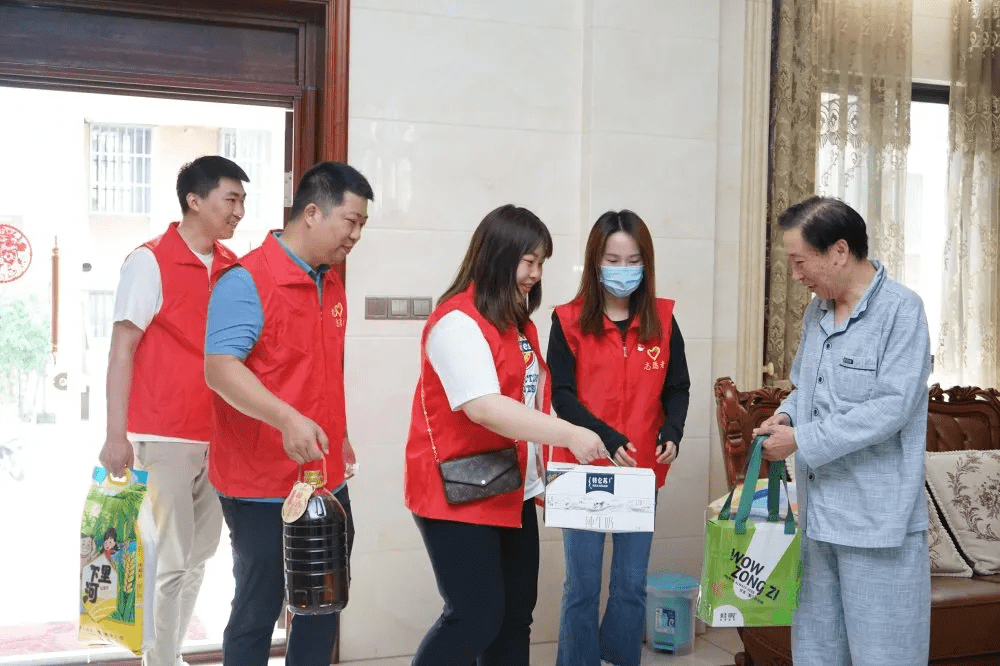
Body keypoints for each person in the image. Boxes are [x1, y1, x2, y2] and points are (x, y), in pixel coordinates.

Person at [404, 204, 607, 666]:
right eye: (529, 262)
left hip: (510, 488)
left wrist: (550, 468)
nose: (536, 274)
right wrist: (571, 433)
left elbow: (530, 403)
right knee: (473, 618)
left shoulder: (519, 325)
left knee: (516, 616)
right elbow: (485, 407)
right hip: (456, 493)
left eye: (541, 264)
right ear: (496, 256)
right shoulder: (457, 322)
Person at [204, 161, 372, 666]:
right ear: (313, 213)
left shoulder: (332, 282)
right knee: (258, 610)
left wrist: (337, 434)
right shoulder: (246, 280)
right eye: (352, 221)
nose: (357, 235)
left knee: (323, 603)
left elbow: (319, 370)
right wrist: (287, 420)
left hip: (325, 478)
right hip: (261, 485)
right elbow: (220, 369)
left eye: (362, 225)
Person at [754, 196, 931, 666]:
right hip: (817, 519)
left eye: (799, 262)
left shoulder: (902, 312)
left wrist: (803, 440)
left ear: (838, 251)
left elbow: (890, 409)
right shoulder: (818, 312)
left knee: (885, 656)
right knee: (816, 653)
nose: (796, 275)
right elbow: (804, 388)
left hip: (876, 524)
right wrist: (788, 416)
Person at [99, 155, 248, 666]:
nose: (239, 211)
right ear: (195, 199)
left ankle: (169, 655)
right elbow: (122, 350)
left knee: (200, 558)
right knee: (170, 559)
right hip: (163, 435)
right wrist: (115, 434)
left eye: (242, 201)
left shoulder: (232, 267)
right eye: (231, 199)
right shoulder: (150, 260)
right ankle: (158, 661)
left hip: (221, 434)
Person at [546, 210, 690, 666]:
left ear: (645, 264)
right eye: (613, 259)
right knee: (582, 585)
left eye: (632, 260)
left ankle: (620, 657)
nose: (623, 269)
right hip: (583, 466)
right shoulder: (567, 321)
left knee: (630, 583)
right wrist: (605, 437)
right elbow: (562, 396)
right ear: (595, 261)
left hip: (639, 469)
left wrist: (674, 429)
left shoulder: (663, 320)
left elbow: (677, 386)